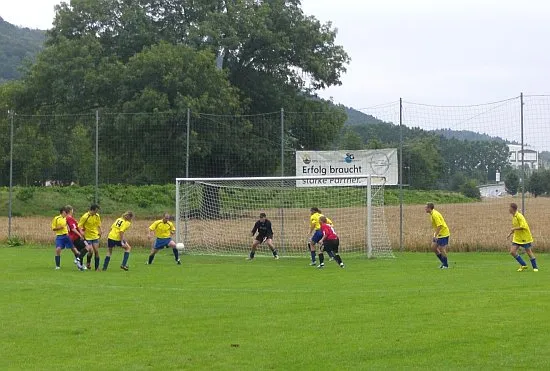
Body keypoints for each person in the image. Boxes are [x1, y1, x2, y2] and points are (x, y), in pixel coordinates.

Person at [508, 203, 538, 272]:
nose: (508, 209)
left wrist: (513, 229)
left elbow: (523, 226)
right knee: (512, 252)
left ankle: (535, 267)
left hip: (525, 237)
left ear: (513, 209)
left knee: (528, 252)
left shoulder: (519, 216)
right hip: (517, 238)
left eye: (509, 208)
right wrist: (510, 233)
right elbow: (515, 227)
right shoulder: (514, 217)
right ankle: (523, 265)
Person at [425, 202, 450, 269]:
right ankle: (443, 263)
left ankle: (445, 265)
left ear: (429, 208)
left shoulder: (435, 215)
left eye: (426, 207)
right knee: (433, 247)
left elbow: (440, 225)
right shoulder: (432, 214)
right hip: (439, 233)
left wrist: (435, 235)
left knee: (442, 249)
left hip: (443, 233)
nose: (425, 209)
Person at [65, 205, 90, 271]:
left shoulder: (67, 218)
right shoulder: (69, 218)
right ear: (70, 210)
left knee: (80, 251)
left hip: (73, 238)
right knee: (88, 247)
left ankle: (80, 267)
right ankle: (77, 259)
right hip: (75, 237)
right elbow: (73, 229)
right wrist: (80, 235)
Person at [78, 204, 102, 271]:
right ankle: (88, 263)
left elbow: (98, 224)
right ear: (92, 210)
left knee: (96, 251)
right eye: (95, 211)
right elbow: (79, 226)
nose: (96, 212)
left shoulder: (97, 216)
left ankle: (97, 268)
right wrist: (81, 232)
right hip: (87, 236)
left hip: (95, 236)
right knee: (90, 251)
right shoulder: (85, 216)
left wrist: (100, 231)